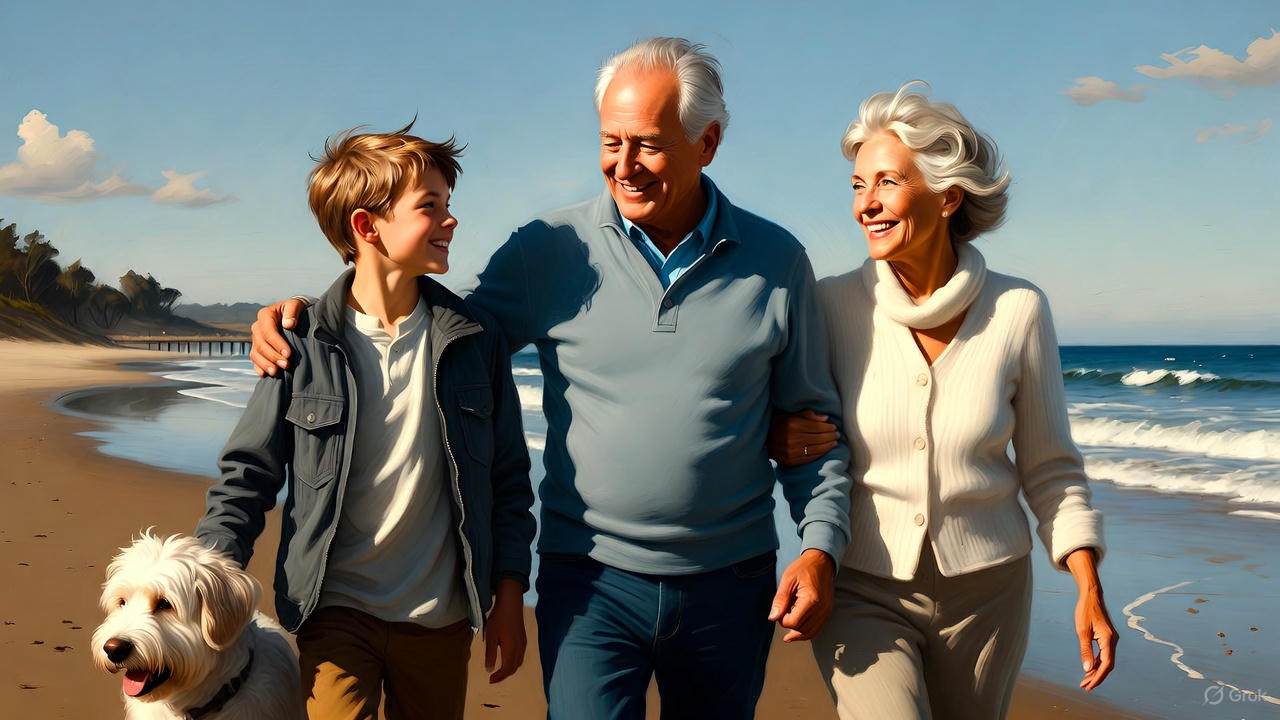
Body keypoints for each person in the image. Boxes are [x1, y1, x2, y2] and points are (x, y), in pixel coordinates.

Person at [249, 38, 853, 719]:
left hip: (732, 586)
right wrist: (309, 318)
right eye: (611, 142)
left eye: (649, 145)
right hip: (589, 582)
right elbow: (438, 337)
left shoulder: (778, 262)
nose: (623, 165)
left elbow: (817, 434)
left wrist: (819, 548)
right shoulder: (549, 251)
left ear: (706, 142)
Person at [767, 82, 1117, 720]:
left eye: (887, 182)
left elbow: (1051, 469)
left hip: (989, 598)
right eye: (858, 185)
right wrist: (774, 435)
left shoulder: (1018, 310)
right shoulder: (829, 306)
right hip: (859, 586)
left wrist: (1088, 586)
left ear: (948, 195)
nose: (866, 204)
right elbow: (782, 416)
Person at [196, 123, 536, 720]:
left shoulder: (476, 340)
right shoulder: (300, 342)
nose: (451, 219)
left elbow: (508, 480)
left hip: (440, 618)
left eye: (448, 204)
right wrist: (202, 584)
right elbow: (246, 477)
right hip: (334, 612)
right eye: (430, 206)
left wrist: (509, 593)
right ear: (367, 225)